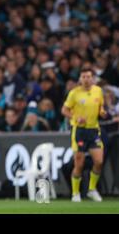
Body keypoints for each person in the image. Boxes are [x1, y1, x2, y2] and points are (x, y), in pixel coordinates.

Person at [61, 67, 107, 202]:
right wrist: (74, 117)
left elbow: (100, 107)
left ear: (92, 78)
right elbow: (64, 110)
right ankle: (75, 193)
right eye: (83, 77)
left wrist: (102, 112)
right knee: (79, 164)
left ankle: (92, 190)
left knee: (99, 162)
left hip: (93, 130)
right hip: (79, 131)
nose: (86, 79)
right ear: (80, 79)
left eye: (88, 77)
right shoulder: (74, 93)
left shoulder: (98, 91)